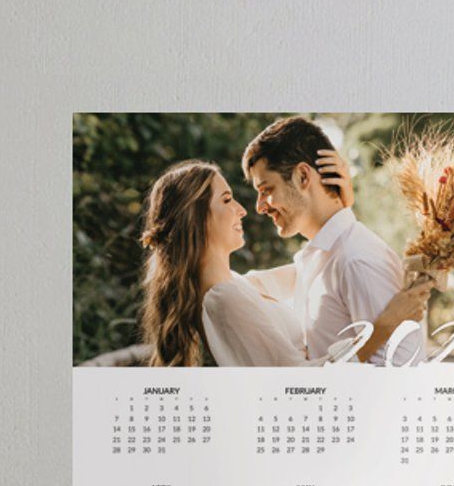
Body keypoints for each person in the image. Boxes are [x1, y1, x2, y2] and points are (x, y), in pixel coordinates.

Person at [138, 151, 428, 367]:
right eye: (226, 200)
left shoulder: (235, 286)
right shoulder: (224, 300)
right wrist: (384, 327)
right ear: (196, 219)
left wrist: (336, 207)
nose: (242, 210)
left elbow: (314, 266)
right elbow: (298, 385)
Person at [241, 115, 425, 367]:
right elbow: (238, 288)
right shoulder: (316, 258)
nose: (259, 207)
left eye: (266, 190)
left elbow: (399, 372)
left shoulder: (357, 260)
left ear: (303, 177)